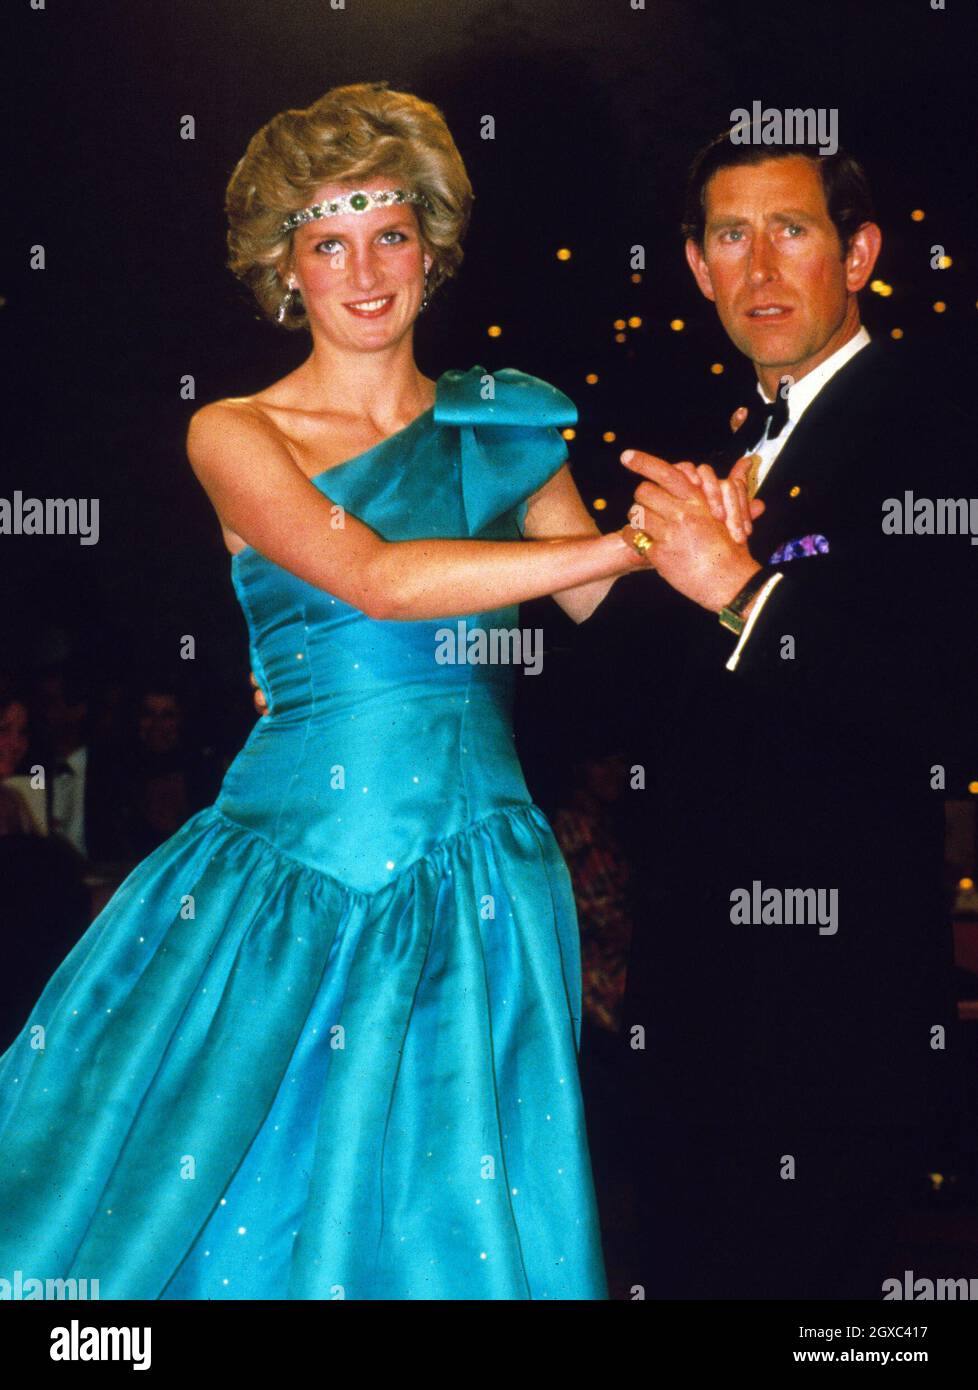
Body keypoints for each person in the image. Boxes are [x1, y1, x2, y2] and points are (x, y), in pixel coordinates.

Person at [0, 82, 752, 1301]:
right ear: (284, 268)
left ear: (432, 248)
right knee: (222, 1208)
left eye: (389, 233)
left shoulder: (509, 424)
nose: (363, 270)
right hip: (294, 877)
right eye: (327, 241)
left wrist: (721, 558)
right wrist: (629, 542)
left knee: (445, 1225)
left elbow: (615, 633)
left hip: (486, 882)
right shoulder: (238, 433)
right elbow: (378, 577)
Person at [584, 127, 977, 1298]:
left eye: (791, 230)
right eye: (730, 237)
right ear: (696, 267)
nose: (760, 269)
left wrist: (742, 590)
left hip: (839, 1023)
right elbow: (631, 706)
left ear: (857, 254)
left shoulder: (935, 415)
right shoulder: (717, 456)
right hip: (694, 1014)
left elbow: (947, 700)